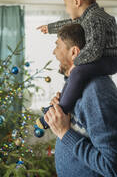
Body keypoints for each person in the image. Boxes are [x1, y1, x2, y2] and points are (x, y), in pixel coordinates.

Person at [36, 0, 117, 130]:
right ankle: (59, 106)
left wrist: (76, 63)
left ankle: (61, 110)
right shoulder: (88, 17)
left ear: (76, 2)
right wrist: (50, 27)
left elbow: (94, 49)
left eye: (66, 5)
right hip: (101, 58)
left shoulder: (95, 19)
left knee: (78, 72)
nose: (66, 9)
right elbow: (70, 23)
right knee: (75, 74)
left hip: (109, 60)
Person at [44, 23, 117, 177]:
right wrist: (61, 117)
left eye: (57, 45)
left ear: (74, 52)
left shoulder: (96, 90)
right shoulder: (74, 86)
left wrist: (64, 132)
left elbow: (112, 166)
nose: (53, 52)